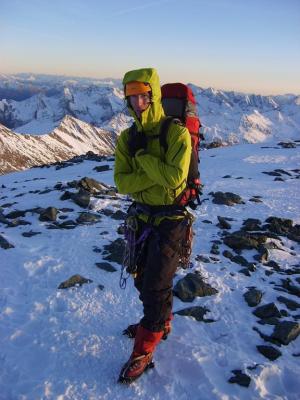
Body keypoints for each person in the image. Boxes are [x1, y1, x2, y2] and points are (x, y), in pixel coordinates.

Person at [114, 67, 192, 383]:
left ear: (153, 95)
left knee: (155, 286)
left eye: (142, 96)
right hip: (141, 216)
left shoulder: (177, 134)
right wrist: (153, 174)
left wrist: (143, 161)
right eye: (131, 97)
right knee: (141, 278)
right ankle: (162, 320)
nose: (136, 103)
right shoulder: (127, 137)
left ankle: (143, 350)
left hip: (171, 220)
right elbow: (121, 182)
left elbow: (175, 181)